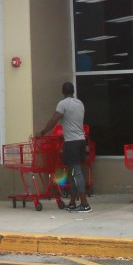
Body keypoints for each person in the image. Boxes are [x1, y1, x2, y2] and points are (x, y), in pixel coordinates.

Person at [38, 82, 91, 213]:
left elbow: (54, 120)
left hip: (71, 142)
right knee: (72, 172)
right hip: (80, 141)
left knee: (76, 172)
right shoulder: (80, 103)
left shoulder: (63, 104)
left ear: (63, 92)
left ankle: (84, 203)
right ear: (73, 91)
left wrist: (43, 132)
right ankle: (73, 202)